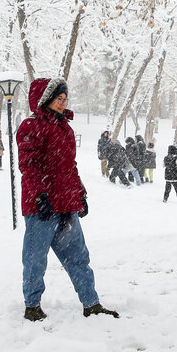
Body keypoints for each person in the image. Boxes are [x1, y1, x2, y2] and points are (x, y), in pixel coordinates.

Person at [17, 77, 118, 321]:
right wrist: (40, 195)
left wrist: (80, 193)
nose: (63, 104)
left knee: (79, 257)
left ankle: (91, 303)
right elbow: (29, 166)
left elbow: (69, 166)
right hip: (42, 206)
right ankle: (32, 306)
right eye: (58, 99)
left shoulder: (65, 127)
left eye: (65, 99)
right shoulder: (31, 126)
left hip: (66, 204)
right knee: (35, 259)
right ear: (45, 100)